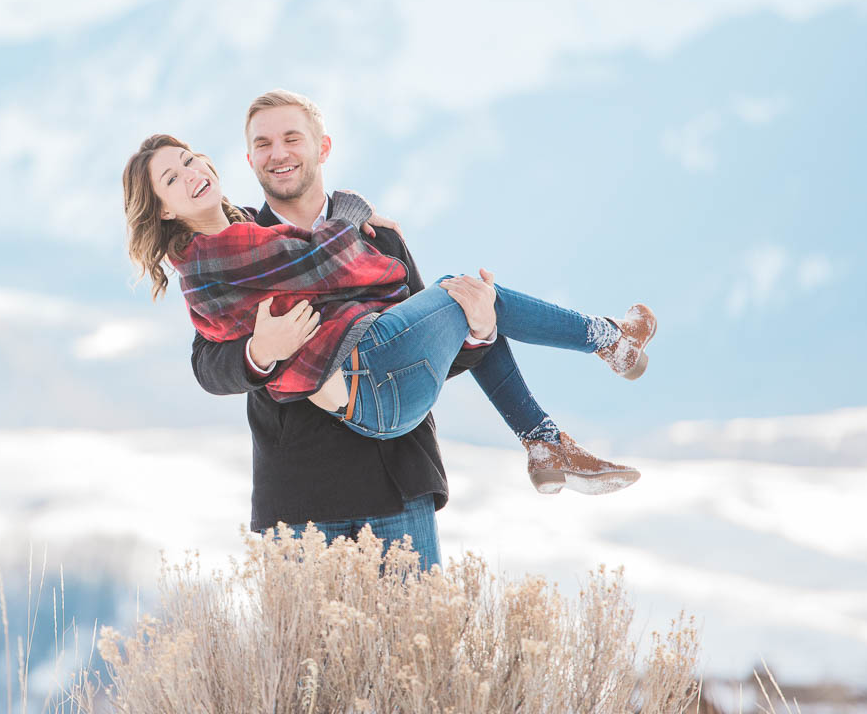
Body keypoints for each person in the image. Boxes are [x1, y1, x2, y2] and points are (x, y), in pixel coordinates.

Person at [121, 91, 655, 570]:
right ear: (249, 159)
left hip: (397, 481)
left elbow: (431, 356)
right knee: (310, 674)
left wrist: (481, 332)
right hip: (300, 495)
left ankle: (564, 410)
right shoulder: (234, 249)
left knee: (419, 672)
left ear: (322, 147)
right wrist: (260, 352)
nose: (278, 152)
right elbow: (208, 366)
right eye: (263, 143)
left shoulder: (378, 240)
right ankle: (594, 361)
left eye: (291, 138)